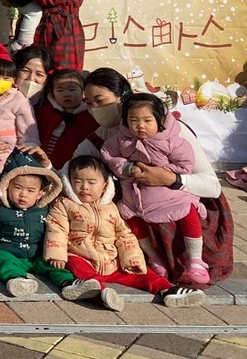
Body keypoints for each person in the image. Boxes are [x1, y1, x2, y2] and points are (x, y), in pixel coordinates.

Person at [78, 68, 233, 285]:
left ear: (123, 98)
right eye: (88, 103)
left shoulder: (172, 131)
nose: (94, 109)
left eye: (100, 100)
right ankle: (152, 259)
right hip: (137, 205)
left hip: (178, 203)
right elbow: (72, 166)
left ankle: (193, 261)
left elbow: (212, 186)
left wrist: (171, 179)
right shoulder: (104, 137)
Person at [47, 156, 204, 310]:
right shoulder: (64, 204)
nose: (84, 187)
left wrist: (132, 259)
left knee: (143, 274)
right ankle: (99, 293)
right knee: (76, 265)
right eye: (77, 182)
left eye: (91, 182)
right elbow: (57, 229)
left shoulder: (111, 208)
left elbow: (125, 235)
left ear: (105, 185)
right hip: (82, 255)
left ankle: (167, 289)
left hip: (111, 259)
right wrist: (57, 254)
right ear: (68, 182)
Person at [101, 93, 209, 285]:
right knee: (127, 214)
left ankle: (195, 259)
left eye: (147, 120)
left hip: (167, 192)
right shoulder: (122, 140)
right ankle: (154, 257)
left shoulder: (172, 141)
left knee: (188, 210)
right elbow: (108, 154)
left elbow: (185, 165)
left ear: (160, 120)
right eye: (133, 120)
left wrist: (162, 173)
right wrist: (127, 168)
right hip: (136, 194)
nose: (140, 126)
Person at [0, 150, 70, 297]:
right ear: (6, 186)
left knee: (54, 265)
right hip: (6, 250)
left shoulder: (45, 208)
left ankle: (68, 282)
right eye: (17, 188)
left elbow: (56, 227)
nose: (23, 194)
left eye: (30, 190)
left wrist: (56, 254)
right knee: (0, 259)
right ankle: (16, 279)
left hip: (36, 253)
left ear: (40, 194)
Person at [0, 44, 37, 173]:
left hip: (10, 156)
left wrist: (27, 149)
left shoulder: (18, 99)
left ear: (13, 80)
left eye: (6, 78)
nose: (0, 81)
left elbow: (27, 128)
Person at [36, 68, 95, 169]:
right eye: (60, 90)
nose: (66, 94)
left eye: (72, 89)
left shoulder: (89, 116)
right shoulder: (46, 112)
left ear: (83, 92)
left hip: (72, 166)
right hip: (42, 162)